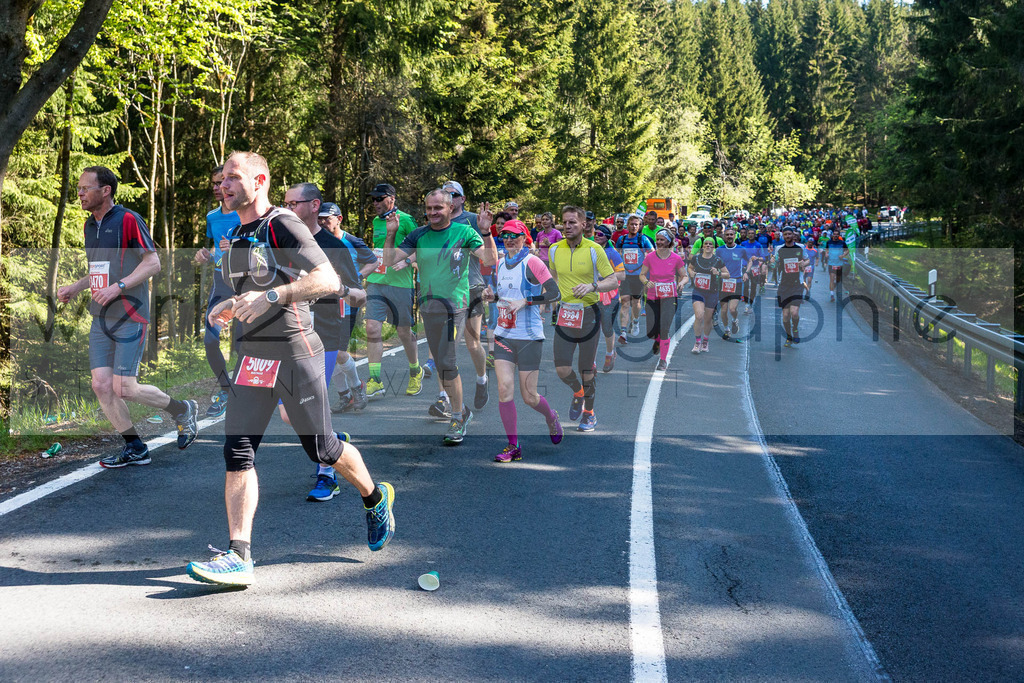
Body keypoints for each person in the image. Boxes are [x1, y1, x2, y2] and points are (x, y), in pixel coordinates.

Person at [186, 151, 393, 587]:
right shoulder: (237, 231)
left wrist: (275, 297)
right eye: (221, 179)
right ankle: (238, 555)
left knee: (323, 449)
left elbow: (328, 280)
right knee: (238, 450)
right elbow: (240, 291)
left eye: (232, 178)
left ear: (259, 180)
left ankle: (375, 498)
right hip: (253, 356)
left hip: (296, 352)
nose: (223, 185)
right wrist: (224, 307)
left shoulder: (283, 223)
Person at [58, 166, 199, 468]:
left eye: (85, 188)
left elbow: (153, 263)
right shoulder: (89, 226)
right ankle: (135, 446)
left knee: (126, 388)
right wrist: (75, 287)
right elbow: (99, 271)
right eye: (79, 188)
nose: (80, 193)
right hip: (100, 317)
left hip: (130, 314)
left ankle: (182, 409)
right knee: (101, 385)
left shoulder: (128, 219)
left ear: (105, 190)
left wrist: (118, 287)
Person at [383, 189, 498, 445]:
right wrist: (391, 233)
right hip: (428, 306)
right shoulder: (419, 235)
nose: (433, 213)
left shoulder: (465, 232)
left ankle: (457, 416)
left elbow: (490, 260)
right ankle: (461, 409)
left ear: (449, 208)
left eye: (438, 208)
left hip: (455, 305)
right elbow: (389, 261)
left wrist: (486, 232)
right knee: (441, 364)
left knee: (447, 360)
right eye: (429, 208)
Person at [280, 183, 370, 502]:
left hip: (324, 336)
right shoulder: (278, 239)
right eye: (285, 202)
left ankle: (327, 473)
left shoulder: (334, 245)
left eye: (295, 203)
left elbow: (358, 295)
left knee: (311, 404)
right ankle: (334, 442)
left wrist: (339, 294)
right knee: (290, 414)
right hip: (287, 334)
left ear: (315, 205)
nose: (288, 208)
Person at [486, 219, 564, 462]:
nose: (508, 239)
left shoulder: (533, 262)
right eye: (505, 235)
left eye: (514, 235)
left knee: (529, 396)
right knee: (504, 389)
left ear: (524, 238)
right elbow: (503, 295)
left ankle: (551, 417)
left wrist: (526, 301)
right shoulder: (500, 263)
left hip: (529, 338)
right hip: (504, 336)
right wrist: (491, 296)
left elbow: (554, 293)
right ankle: (513, 446)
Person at [547, 206, 618, 432]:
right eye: (565, 223)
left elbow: (613, 280)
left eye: (573, 223)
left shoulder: (595, 249)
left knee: (586, 369)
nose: (568, 227)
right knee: (561, 368)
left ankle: (589, 413)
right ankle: (578, 392)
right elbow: (554, 278)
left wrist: (592, 286)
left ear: (583, 225)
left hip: (589, 313)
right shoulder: (553, 250)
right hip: (565, 314)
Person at [362, 183, 424, 401]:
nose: (375, 203)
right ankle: (375, 379)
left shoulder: (406, 220)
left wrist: (407, 260)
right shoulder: (376, 222)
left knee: (403, 333)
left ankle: (415, 370)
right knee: (372, 328)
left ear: (392, 199)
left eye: (379, 198)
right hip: (377, 281)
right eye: (373, 199)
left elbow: (421, 247)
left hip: (401, 284)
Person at [193, 165, 240, 418]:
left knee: (245, 344)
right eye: (212, 183)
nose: (216, 188)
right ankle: (226, 390)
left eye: (220, 182)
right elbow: (217, 249)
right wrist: (206, 254)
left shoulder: (250, 214)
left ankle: (253, 392)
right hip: (222, 284)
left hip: (247, 285)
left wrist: (239, 247)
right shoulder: (212, 216)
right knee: (211, 340)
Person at [443, 180, 490, 411]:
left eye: (453, 194)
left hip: (471, 286)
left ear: (462, 199)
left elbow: (487, 256)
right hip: (444, 289)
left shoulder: (473, 219)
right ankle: (443, 397)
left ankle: (482, 379)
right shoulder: (437, 220)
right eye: (445, 194)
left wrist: (484, 230)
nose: (449, 198)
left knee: (472, 344)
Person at [640, 229, 688, 370]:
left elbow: (684, 276)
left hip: (669, 296)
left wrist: (681, 283)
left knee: (665, 327)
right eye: (658, 239)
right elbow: (642, 274)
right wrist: (646, 282)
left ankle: (663, 360)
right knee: (651, 331)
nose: (659, 242)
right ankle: (657, 340)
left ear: (669, 241)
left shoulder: (676, 258)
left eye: (662, 240)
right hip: (652, 296)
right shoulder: (649, 257)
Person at [615, 215, 655, 340]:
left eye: (636, 224)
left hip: (638, 276)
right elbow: (616, 255)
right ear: (628, 225)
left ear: (639, 226)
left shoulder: (643, 240)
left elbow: (652, 254)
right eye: (632, 224)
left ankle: (636, 321)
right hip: (625, 275)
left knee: (636, 301)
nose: (634, 226)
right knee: (625, 301)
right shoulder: (621, 240)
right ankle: (623, 332)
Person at [591, 225, 625, 372]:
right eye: (595, 234)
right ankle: (591, 362)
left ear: (607, 237)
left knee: (606, 328)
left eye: (599, 234)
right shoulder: (589, 250)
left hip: (610, 296)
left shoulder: (612, 253)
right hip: (591, 294)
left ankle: (610, 353)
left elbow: (622, 275)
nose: (596, 236)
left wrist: (603, 276)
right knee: (591, 329)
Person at [771, 225, 811, 347]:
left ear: (793, 235)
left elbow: (807, 260)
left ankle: (795, 329)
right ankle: (788, 336)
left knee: (794, 312)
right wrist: (772, 262)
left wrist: (803, 263)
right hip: (783, 284)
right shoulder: (779, 249)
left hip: (797, 284)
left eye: (790, 234)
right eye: (785, 234)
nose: (788, 236)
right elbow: (774, 263)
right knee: (785, 315)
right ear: (783, 236)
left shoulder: (800, 247)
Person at [687, 236, 725, 353]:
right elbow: (689, 268)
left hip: (712, 292)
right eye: (706, 244)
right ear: (702, 246)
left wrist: (718, 272)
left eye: (710, 244)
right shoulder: (696, 258)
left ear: (713, 247)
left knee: (708, 319)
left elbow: (727, 274)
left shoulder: (717, 260)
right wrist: (691, 273)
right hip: (698, 290)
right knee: (699, 316)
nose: (708, 246)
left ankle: (705, 341)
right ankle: (697, 342)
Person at [715, 227, 749, 340]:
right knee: (723, 311)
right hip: (723, 282)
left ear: (735, 236)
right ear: (724, 236)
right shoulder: (719, 250)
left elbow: (750, 261)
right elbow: (715, 263)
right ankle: (726, 330)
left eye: (731, 234)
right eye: (727, 235)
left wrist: (746, 273)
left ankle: (734, 320)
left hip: (737, 282)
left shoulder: (741, 249)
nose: (729, 236)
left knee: (732, 309)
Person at [824, 226, 849, 302]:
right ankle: (832, 295)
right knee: (832, 278)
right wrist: (826, 254)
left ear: (839, 236)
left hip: (839, 263)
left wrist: (843, 255)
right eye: (834, 234)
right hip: (831, 263)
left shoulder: (842, 243)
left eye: (836, 235)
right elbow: (826, 250)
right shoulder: (829, 242)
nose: (835, 236)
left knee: (838, 280)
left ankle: (835, 288)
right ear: (832, 235)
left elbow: (847, 251)